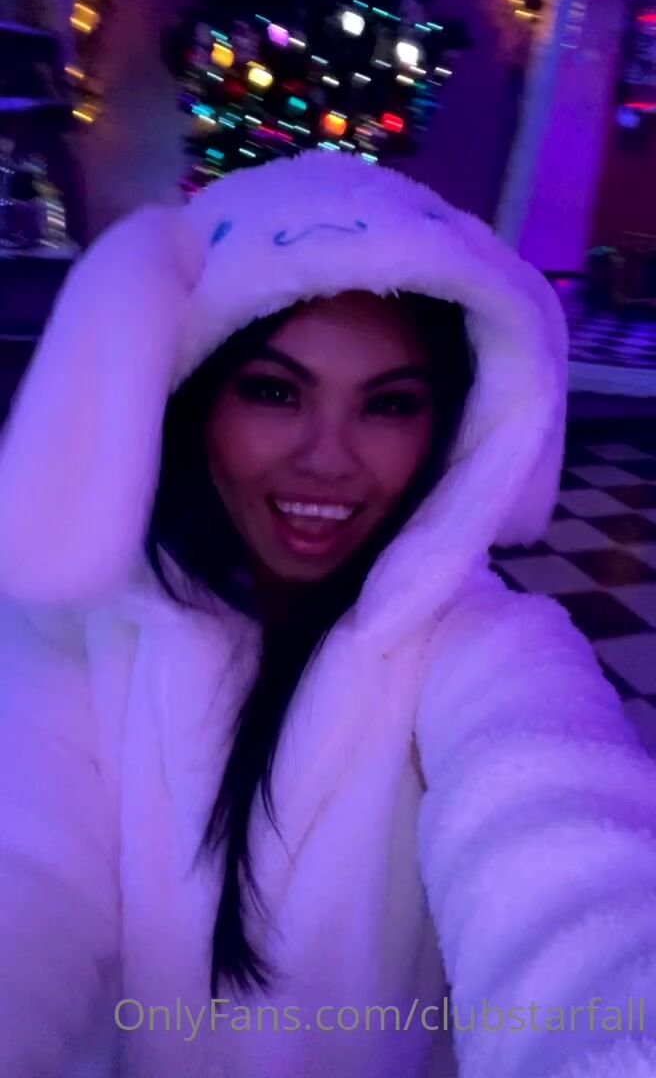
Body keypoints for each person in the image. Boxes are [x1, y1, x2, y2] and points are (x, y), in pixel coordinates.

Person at [0, 150, 655, 1078]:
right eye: (274, 391)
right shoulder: (75, 629)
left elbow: (576, 881)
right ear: (192, 393)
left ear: (448, 425)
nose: (328, 459)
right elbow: (22, 872)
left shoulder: (489, 648)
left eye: (388, 405)